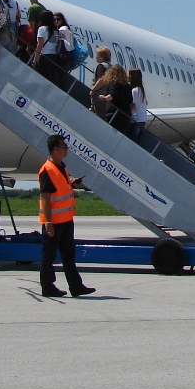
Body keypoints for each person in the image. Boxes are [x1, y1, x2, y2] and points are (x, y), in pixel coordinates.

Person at [37, 134, 95, 298]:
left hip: (66, 220)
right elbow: (46, 198)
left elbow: (60, 190)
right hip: (54, 222)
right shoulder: (47, 170)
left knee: (68, 255)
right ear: (56, 150)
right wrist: (48, 222)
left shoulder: (61, 167)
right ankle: (48, 287)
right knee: (49, 255)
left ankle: (76, 286)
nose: (66, 149)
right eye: (64, 147)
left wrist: (71, 184)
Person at [94, 64, 133, 134]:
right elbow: (130, 100)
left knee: (111, 133)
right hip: (126, 115)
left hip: (115, 114)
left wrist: (104, 98)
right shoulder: (128, 86)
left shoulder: (114, 83)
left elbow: (112, 95)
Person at [30, 10, 60, 83]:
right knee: (52, 78)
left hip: (45, 56)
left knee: (44, 78)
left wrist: (35, 59)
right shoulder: (56, 30)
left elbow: (40, 45)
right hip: (54, 56)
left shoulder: (42, 29)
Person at [127, 67, 148, 143]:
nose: (128, 76)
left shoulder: (134, 90)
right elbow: (146, 102)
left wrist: (126, 112)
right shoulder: (141, 90)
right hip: (142, 119)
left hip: (135, 119)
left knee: (132, 140)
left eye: (129, 75)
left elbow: (134, 105)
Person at [53, 13, 76, 80]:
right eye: (54, 20)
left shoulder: (61, 30)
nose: (56, 21)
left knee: (59, 77)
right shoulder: (68, 29)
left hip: (63, 56)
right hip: (68, 57)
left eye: (58, 19)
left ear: (62, 20)